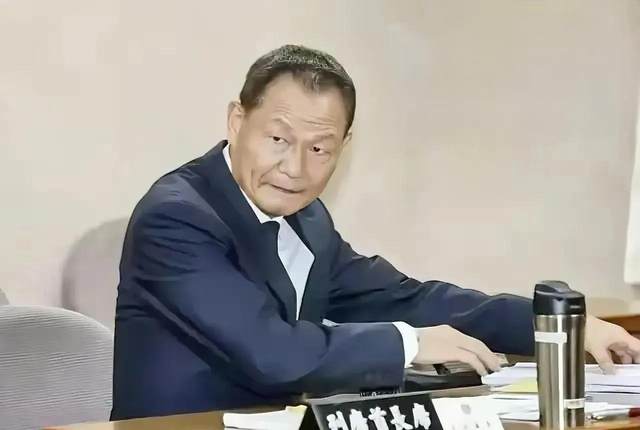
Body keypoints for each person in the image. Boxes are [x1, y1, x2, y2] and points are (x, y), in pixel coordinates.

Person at [111, 45, 640, 420]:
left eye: (320, 149)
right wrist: (409, 344)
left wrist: (563, 329)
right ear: (236, 121)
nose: (295, 168)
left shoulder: (308, 219)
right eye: (278, 139)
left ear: (344, 145)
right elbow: (270, 353)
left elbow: (409, 300)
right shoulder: (176, 218)